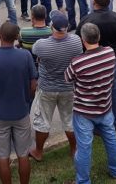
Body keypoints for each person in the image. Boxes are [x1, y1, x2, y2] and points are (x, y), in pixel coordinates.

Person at [0, 23, 37, 184]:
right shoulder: (25, 56)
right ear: (16, 38)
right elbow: (33, 85)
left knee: (3, 157)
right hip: (21, 112)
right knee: (23, 154)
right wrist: (27, 100)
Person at [64, 23, 116, 183]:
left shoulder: (78, 62)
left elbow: (67, 77)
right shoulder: (110, 53)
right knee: (111, 138)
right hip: (105, 106)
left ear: (83, 40)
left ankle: (82, 180)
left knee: (84, 147)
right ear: (99, 37)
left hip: (84, 111)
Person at [28, 11, 82, 161]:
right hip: (68, 87)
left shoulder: (41, 44)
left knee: (43, 122)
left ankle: (38, 151)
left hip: (47, 88)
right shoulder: (76, 41)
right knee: (70, 121)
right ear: (67, 27)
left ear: (52, 26)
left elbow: (35, 54)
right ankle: (74, 149)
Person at [75, 0, 116, 130]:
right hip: (113, 60)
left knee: (94, 92)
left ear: (94, 2)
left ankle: (96, 123)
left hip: (91, 62)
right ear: (109, 2)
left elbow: (78, 41)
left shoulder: (87, 20)